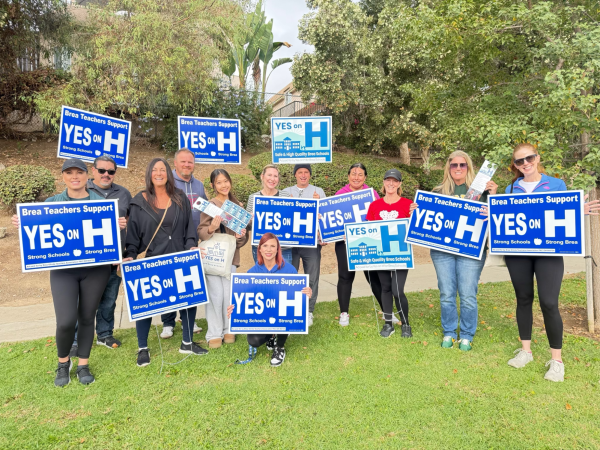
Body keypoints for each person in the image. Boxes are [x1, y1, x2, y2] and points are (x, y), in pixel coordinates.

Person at [12, 159, 127, 386]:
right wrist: (23, 221)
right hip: (64, 271)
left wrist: (117, 224)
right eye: (69, 173)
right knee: (65, 321)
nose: (75, 176)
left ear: (87, 175)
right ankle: (63, 363)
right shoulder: (52, 202)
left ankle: (83, 364)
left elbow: (109, 235)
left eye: (79, 172)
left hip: (95, 270)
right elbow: (38, 230)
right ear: (63, 176)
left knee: (86, 317)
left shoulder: (102, 203)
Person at [504, 143, 600, 382]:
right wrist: (490, 212)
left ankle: (556, 360)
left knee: (549, 302)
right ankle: (526, 351)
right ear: (515, 165)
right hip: (518, 253)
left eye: (529, 158)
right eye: (519, 161)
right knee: (523, 298)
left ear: (537, 158)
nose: (525, 164)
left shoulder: (556, 185)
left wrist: (579, 211)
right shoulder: (510, 189)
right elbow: (503, 217)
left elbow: (563, 213)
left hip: (549, 252)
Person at [124, 158, 208, 367]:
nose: (159, 173)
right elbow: (133, 236)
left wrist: (191, 246)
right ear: (149, 174)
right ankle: (143, 348)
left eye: (163, 169)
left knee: (189, 300)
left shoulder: (179, 197)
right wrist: (131, 256)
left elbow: (189, 228)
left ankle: (187, 342)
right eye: (155, 170)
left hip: (180, 257)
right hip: (154, 261)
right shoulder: (139, 201)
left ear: (169, 174)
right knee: (144, 305)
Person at [411, 151, 497, 352]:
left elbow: (495, 219)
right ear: (448, 168)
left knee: (468, 294)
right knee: (447, 293)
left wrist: (493, 196)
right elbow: (427, 218)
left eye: (462, 165)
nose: (458, 168)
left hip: (471, 251)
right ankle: (449, 332)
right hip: (442, 251)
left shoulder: (481, 191)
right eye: (454, 165)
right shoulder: (438, 191)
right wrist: (417, 211)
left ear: (469, 167)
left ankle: (466, 335)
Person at [69, 156, 132, 357]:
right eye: (102, 170)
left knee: (109, 299)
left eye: (111, 171)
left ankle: (105, 334)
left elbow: (130, 223)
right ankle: (77, 340)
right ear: (93, 170)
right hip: (87, 260)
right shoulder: (80, 190)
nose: (106, 175)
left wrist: (125, 249)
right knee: (84, 302)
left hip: (113, 260)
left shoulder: (123, 194)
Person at [226, 233, 312, 367]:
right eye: (265, 246)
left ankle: (280, 347)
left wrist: (306, 292)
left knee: (285, 313)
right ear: (259, 249)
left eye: (273, 246)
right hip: (263, 315)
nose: (269, 249)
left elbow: (296, 294)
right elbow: (245, 299)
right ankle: (271, 335)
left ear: (278, 249)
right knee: (254, 340)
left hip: (281, 313)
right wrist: (235, 309)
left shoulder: (289, 269)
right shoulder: (252, 273)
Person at [198, 169, 249, 349]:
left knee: (229, 296)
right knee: (215, 296)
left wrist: (240, 235)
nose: (223, 185)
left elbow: (243, 239)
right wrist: (211, 227)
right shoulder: (209, 205)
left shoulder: (237, 205)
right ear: (212, 185)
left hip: (231, 258)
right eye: (219, 182)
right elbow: (201, 233)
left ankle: (229, 329)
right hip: (213, 257)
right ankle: (214, 332)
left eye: (226, 181)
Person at [160, 148, 207, 339]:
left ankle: (189, 319)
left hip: (193, 240)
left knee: (189, 281)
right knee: (170, 281)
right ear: (175, 163)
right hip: (170, 239)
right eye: (183, 162)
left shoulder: (199, 185)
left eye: (190, 162)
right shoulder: (166, 182)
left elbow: (204, 211)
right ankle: (168, 322)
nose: (187, 165)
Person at [366, 169, 415, 339]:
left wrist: (415, 214)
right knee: (385, 288)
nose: (391, 184)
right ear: (384, 182)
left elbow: (415, 228)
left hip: (401, 254)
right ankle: (388, 323)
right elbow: (368, 230)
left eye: (395, 181)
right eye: (388, 180)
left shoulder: (408, 204)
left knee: (397, 289)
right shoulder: (375, 205)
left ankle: (406, 323)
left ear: (400, 184)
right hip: (381, 254)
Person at [334, 163, 383, 327]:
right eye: (353, 174)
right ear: (348, 176)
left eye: (360, 174)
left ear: (365, 177)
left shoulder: (372, 194)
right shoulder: (340, 194)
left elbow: (378, 216)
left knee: (373, 277)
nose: (356, 177)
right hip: (344, 242)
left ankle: (386, 310)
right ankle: (344, 313)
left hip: (367, 241)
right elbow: (332, 221)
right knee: (345, 276)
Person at [282, 164, 326, 327]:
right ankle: (291, 309)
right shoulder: (286, 192)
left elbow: (324, 216)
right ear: (295, 175)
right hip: (290, 243)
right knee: (289, 276)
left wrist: (323, 235)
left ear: (310, 175)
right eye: (300, 172)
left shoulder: (318, 191)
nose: (303, 175)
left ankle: (308, 311)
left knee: (312, 277)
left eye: (306, 172)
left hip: (311, 242)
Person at [246, 164, 292, 264]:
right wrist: (249, 219)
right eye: (269, 175)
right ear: (262, 176)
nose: (272, 179)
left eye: (275, 176)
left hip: (283, 248)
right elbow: (248, 226)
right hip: (261, 248)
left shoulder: (286, 196)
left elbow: (292, 219)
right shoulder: (253, 197)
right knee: (263, 279)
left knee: (284, 278)